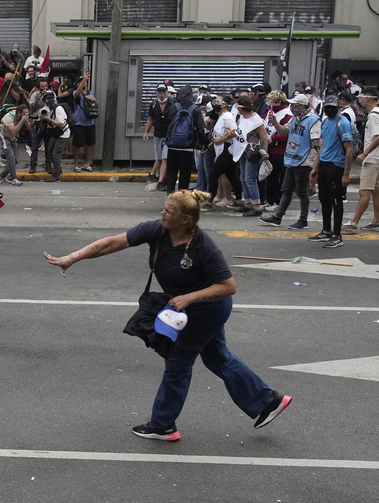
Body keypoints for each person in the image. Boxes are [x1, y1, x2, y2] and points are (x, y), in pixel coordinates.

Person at [43, 190, 293, 441]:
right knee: (218, 358)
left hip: (207, 311)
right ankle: (267, 401)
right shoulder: (156, 230)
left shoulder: (203, 247)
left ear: (185, 219)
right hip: (188, 310)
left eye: (169, 212)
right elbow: (111, 243)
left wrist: (190, 297)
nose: (162, 213)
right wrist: (73, 258)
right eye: (164, 208)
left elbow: (228, 287)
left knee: (178, 362)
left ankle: (162, 425)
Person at [259, 93, 319, 229]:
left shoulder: (313, 120)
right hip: (292, 158)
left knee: (302, 191)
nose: (292, 107)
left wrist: (315, 165)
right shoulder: (296, 119)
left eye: (295, 105)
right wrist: (274, 122)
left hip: (304, 160)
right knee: (286, 189)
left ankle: (303, 220)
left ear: (302, 106)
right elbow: (284, 131)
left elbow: (316, 143)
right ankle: (277, 217)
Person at [308, 95, 354, 248]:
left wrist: (346, 173)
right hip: (325, 164)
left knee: (336, 200)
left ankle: (337, 235)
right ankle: (326, 230)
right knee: (324, 198)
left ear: (338, 108)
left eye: (332, 108)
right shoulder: (326, 122)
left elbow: (349, 149)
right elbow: (323, 147)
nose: (329, 110)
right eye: (327, 108)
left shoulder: (343, 122)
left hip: (336, 165)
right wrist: (315, 167)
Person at [230, 94, 270, 218]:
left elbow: (263, 136)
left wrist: (264, 152)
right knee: (243, 178)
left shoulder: (256, 119)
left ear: (242, 108)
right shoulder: (242, 118)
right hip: (242, 150)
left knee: (250, 179)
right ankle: (247, 203)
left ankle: (256, 205)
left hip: (253, 152)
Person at [345, 86, 379, 230]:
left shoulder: (373, 115)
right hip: (376, 158)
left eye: (362, 99)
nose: (361, 102)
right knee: (376, 191)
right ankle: (376, 220)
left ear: (367, 99)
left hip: (372, 159)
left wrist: (365, 154)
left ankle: (354, 222)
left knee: (364, 191)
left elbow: (377, 137)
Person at [163, 86, 205, 193]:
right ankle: (182, 198)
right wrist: (202, 143)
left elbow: (167, 122)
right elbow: (200, 128)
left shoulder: (173, 107)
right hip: (187, 146)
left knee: (171, 172)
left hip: (172, 145)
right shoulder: (195, 109)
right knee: (185, 174)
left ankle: (170, 196)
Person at [143, 84, 175, 188]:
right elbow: (150, 119)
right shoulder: (154, 104)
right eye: (159, 92)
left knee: (165, 159)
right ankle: (154, 176)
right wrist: (146, 132)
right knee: (159, 158)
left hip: (168, 136)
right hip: (157, 135)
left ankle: (161, 181)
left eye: (163, 92)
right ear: (157, 93)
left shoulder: (172, 103)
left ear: (166, 93)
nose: (161, 94)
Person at [71, 71, 97, 172]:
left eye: (85, 81)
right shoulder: (76, 93)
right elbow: (77, 93)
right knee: (77, 145)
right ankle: (76, 164)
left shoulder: (91, 93)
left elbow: (96, 104)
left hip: (90, 122)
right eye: (81, 81)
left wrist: (93, 100)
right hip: (79, 122)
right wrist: (84, 79)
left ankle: (87, 163)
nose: (84, 83)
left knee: (89, 144)